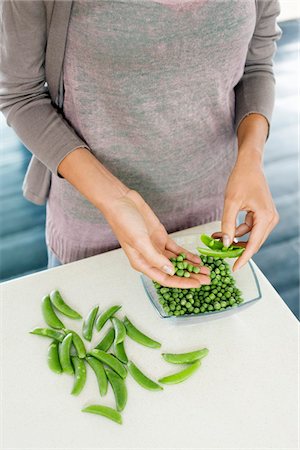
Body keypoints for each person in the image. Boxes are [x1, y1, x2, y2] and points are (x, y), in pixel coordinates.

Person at [0, 0, 282, 288]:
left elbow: (255, 67)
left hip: (212, 214)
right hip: (97, 221)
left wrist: (251, 157)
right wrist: (116, 201)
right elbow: (23, 96)